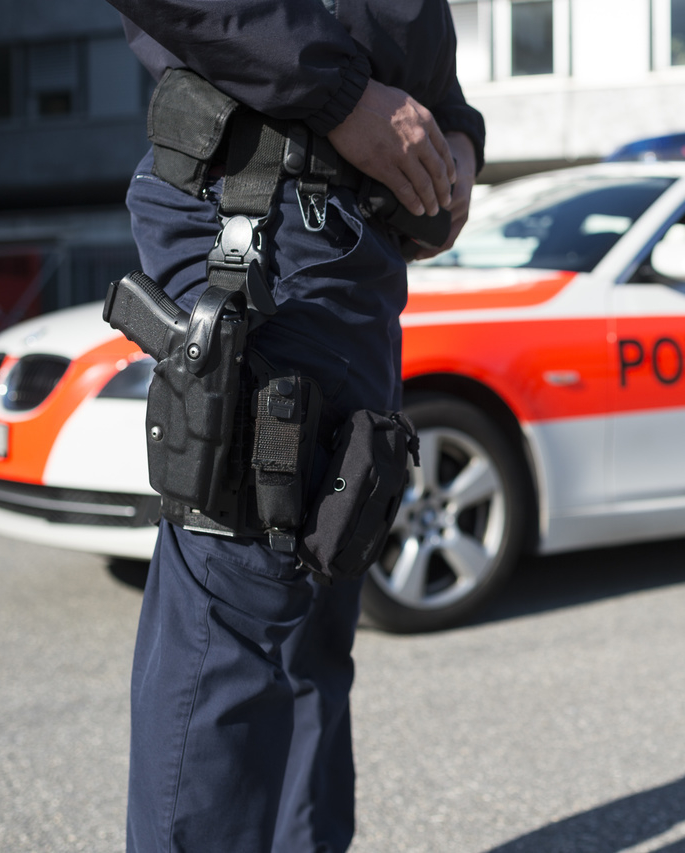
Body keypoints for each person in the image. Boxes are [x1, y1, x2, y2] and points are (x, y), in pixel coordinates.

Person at [102, 2, 485, 850]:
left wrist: (456, 139)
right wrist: (347, 98)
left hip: (353, 251)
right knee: (241, 606)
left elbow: (410, 42)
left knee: (319, 592)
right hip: (254, 215)